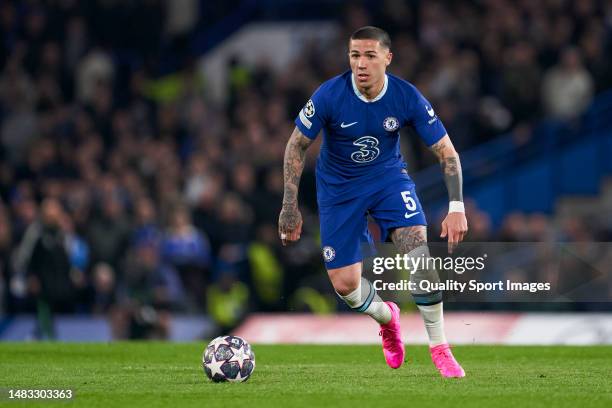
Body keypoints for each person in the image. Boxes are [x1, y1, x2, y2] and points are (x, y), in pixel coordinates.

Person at [278, 26, 467, 378]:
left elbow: (447, 153)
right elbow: (296, 145)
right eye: (354, 56)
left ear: (387, 58)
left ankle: (441, 349)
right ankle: (387, 318)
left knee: (419, 256)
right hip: (339, 190)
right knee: (345, 286)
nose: (361, 64)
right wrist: (290, 205)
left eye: (369, 55)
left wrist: (456, 206)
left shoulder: (406, 97)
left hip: (387, 181)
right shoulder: (330, 95)